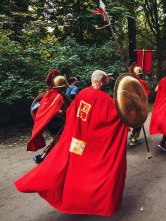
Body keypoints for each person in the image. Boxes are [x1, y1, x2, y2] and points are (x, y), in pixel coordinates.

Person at [15, 70, 129, 216]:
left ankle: (74, 198)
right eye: (106, 79)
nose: (108, 81)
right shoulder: (105, 99)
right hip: (89, 144)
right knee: (88, 172)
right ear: (100, 80)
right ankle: (86, 202)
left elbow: (70, 113)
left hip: (77, 142)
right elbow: (113, 119)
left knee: (75, 170)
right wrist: (128, 114)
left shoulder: (82, 93)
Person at [28, 69, 71, 163]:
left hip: (52, 124)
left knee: (58, 141)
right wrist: (64, 113)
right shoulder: (58, 97)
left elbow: (38, 107)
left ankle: (43, 156)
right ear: (62, 86)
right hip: (57, 124)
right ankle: (54, 161)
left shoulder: (48, 94)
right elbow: (54, 111)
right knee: (59, 142)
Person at [128, 66, 150, 146]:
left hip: (133, 106)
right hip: (138, 107)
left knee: (135, 122)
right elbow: (147, 94)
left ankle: (132, 136)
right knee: (139, 122)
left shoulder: (130, 82)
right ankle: (133, 140)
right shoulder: (142, 82)